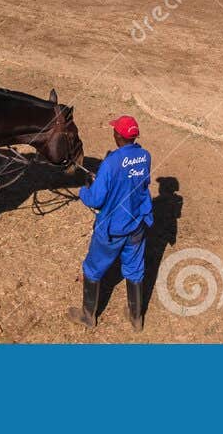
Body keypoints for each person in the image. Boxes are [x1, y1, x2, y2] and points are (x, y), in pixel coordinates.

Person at [67, 114, 154, 331]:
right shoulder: (145, 156)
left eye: (114, 130)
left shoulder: (110, 163)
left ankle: (88, 316)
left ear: (117, 136)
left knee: (93, 268)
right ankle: (136, 318)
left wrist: (84, 190)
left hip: (111, 230)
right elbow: (140, 184)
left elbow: (96, 199)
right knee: (134, 269)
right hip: (136, 226)